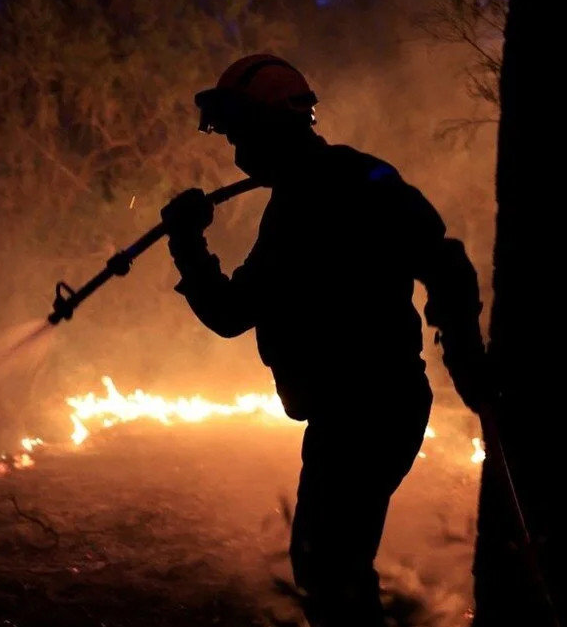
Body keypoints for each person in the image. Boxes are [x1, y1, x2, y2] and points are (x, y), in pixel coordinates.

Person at [160, 54, 491, 627]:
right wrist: (466, 360)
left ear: (271, 127)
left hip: (362, 413)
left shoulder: (311, 204)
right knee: (334, 566)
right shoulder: (356, 180)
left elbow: (231, 313)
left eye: (241, 132)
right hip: (378, 407)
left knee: (328, 570)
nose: (236, 150)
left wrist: (188, 243)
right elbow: (446, 263)